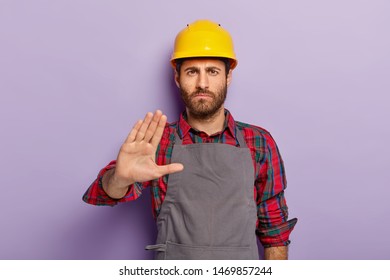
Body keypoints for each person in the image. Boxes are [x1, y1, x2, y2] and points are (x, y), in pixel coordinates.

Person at [83, 19, 297, 260]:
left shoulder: (259, 142)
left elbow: (275, 231)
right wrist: (119, 180)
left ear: (228, 77)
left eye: (212, 71)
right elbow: (100, 195)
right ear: (177, 78)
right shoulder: (157, 142)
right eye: (192, 71)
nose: (202, 83)